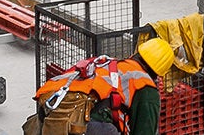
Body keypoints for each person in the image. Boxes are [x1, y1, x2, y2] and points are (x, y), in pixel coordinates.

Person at [35, 37, 174, 135]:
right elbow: (145, 131)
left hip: (49, 111)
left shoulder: (112, 65)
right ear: (158, 73)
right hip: (84, 125)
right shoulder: (146, 87)